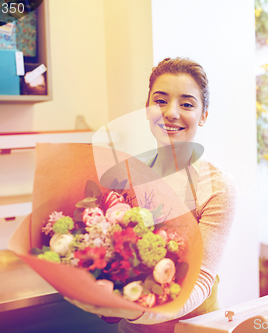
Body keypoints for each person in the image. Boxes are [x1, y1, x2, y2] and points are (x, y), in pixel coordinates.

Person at [69, 57, 237, 333]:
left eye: (186, 104)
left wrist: (135, 311)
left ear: (203, 115)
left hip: (194, 327)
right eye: (160, 101)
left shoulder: (216, 186)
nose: (171, 112)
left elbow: (201, 281)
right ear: (147, 109)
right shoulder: (123, 177)